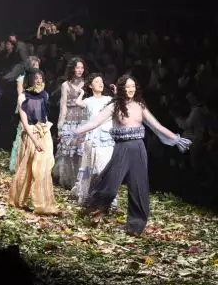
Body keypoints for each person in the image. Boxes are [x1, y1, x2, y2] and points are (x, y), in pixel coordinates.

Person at [68, 75, 191, 235]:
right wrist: (75, 131)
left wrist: (176, 139)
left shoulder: (140, 105)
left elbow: (157, 126)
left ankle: (135, 226)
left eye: (133, 86)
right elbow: (95, 122)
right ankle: (94, 206)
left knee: (138, 187)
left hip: (138, 149)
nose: (131, 89)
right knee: (110, 184)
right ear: (122, 89)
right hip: (122, 148)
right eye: (127, 87)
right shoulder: (114, 106)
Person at [8, 69, 59, 215]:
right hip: (31, 134)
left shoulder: (45, 95)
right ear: (30, 79)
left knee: (44, 169)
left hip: (44, 132)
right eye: (36, 78)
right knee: (27, 168)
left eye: (41, 77)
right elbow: (24, 122)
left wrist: (45, 133)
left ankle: (44, 205)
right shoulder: (23, 97)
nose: (39, 80)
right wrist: (35, 141)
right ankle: (18, 199)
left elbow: (44, 116)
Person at [71, 73, 116, 206]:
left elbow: (118, 104)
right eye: (96, 82)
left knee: (105, 165)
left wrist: (116, 93)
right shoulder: (89, 100)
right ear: (91, 86)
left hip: (106, 136)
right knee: (90, 167)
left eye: (101, 81)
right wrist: (81, 93)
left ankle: (107, 198)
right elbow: (78, 103)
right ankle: (89, 196)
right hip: (92, 137)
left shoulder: (108, 99)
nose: (100, 83)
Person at [54, 57, 87, 189]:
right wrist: (61, 125)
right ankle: (68, 179)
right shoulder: (65, 85)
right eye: (77, 67)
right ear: (72, 69)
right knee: (68, 149)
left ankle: (80, 180)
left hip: (83, 119)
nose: (80, 70)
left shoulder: (86, 84)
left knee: (80, 149)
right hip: (70, 119)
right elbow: (63, 106)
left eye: (82, 68)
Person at [9, 56, 41, 173]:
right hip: (25, 108)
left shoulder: (39, 79)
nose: (36, 67)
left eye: (37, 65)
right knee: (22, 133)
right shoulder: (22, 79)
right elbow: (20, 96)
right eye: (34, 65)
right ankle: (19, 163)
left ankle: (32, 163)